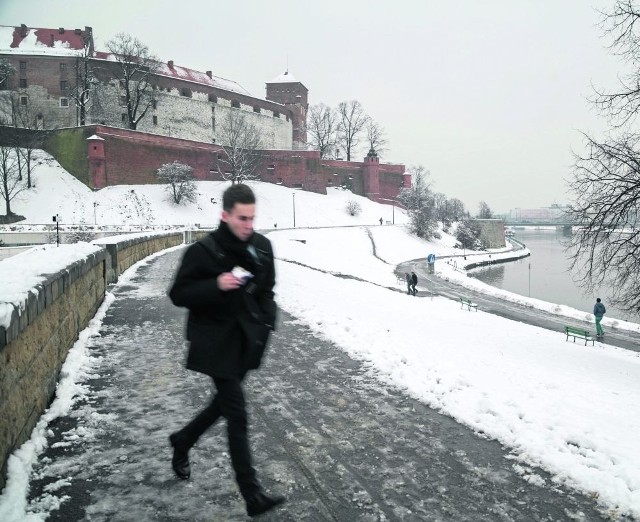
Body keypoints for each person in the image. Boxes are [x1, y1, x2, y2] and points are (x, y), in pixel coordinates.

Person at [168, 184, 285, 517]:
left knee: (222, 405)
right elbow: (178, 293)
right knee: (237, 414)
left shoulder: (262, 247)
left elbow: (268, 289)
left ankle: (183, 440)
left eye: (252, 218)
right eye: (242, 219)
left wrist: (265, 320)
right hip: (216, 344)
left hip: (249, 342)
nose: (249, 225)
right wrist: (216, 285)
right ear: (225, 215)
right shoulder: (204, 251)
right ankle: (252, 495)